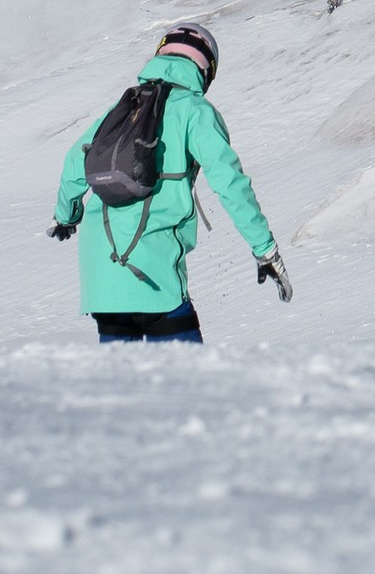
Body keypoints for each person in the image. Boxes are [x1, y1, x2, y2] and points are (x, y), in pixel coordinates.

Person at [52, 23, 289, 342]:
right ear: (206, 70)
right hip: (156, 274)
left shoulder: (123, 108)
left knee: (122, 384)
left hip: (102, 279)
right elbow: (230, 183)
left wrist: (66, 216)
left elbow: (73, 163)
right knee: (186, 383)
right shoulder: (195, 111)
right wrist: (265, 249)